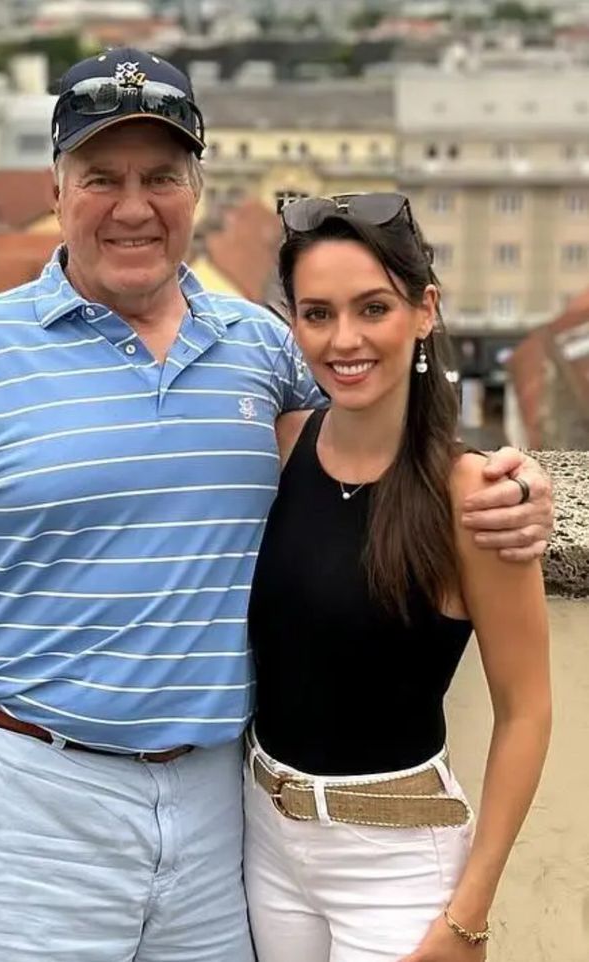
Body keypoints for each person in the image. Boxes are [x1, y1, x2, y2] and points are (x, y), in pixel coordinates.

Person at [0, 50, 552, 961]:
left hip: (222, 814)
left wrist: (509, 484)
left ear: (197, 191)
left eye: (162, 177)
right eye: (103, 177)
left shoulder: (261, 347)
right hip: (27, 803)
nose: (134, 206)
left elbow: (377, 430)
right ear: (57, 190)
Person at [243, 193, 552, 962]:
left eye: (373, 308)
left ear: (424, 311)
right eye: (317, 314)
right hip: (265, 841)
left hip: (398, 865)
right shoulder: (283, 447)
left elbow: (526, 711)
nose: (344, 339)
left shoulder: (473, 496)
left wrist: (468, 913)